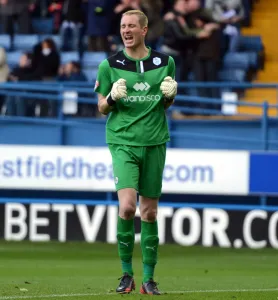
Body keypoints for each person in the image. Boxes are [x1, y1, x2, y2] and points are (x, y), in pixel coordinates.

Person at [94, 9, 177, 296]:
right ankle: (126, 274)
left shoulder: (165, 62)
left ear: (144, 30)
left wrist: (170, 96)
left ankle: (149, 279)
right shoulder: (109, 65)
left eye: (131, 26)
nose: (126, 30)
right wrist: (111, 98)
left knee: (150, 213)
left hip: (154, 141)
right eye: (122, 26)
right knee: (128, 207)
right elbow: (101, 107)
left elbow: (163, 104)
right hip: (123, 141)